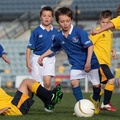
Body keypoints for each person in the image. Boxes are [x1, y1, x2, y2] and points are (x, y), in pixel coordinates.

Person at [38, 7, 101, 114]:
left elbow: (90, 46)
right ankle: (82, 106)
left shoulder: (79, 32)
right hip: (76, 64)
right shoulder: (58, 36)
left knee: (97, 86)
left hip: (91, 62)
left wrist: (88, 62)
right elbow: (53, 48)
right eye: (62, 21)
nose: (65, 24)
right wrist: (42, 56)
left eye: (67, 21)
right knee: (74, 82)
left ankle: (95, 100)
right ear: (58, 22)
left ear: (71, 20)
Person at [89, 10, 117, 112]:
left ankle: (95, 104)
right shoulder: (96, 32)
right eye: (103, 22)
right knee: (111, 80)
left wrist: (112, 50)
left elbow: (105, 44)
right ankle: (105, 103)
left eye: (107, 22)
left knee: (98, 85)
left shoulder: (109, 33)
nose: (104, 24)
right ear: (99, 21)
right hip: (99, 62)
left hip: (105, 62)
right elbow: (89, 44)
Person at [26, 6, 58, 90]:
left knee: (47, 82)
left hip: (50, 59)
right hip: (37, 59)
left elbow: (59, 45)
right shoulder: (36, 31)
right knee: (36, 84)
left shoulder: (55, 31)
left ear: (52, 18)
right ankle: (27, 100)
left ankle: (47, 103)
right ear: (40, 17)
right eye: (44, 16)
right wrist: (27, 61)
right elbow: (29, 47)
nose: (46, 18)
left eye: (49, 16)